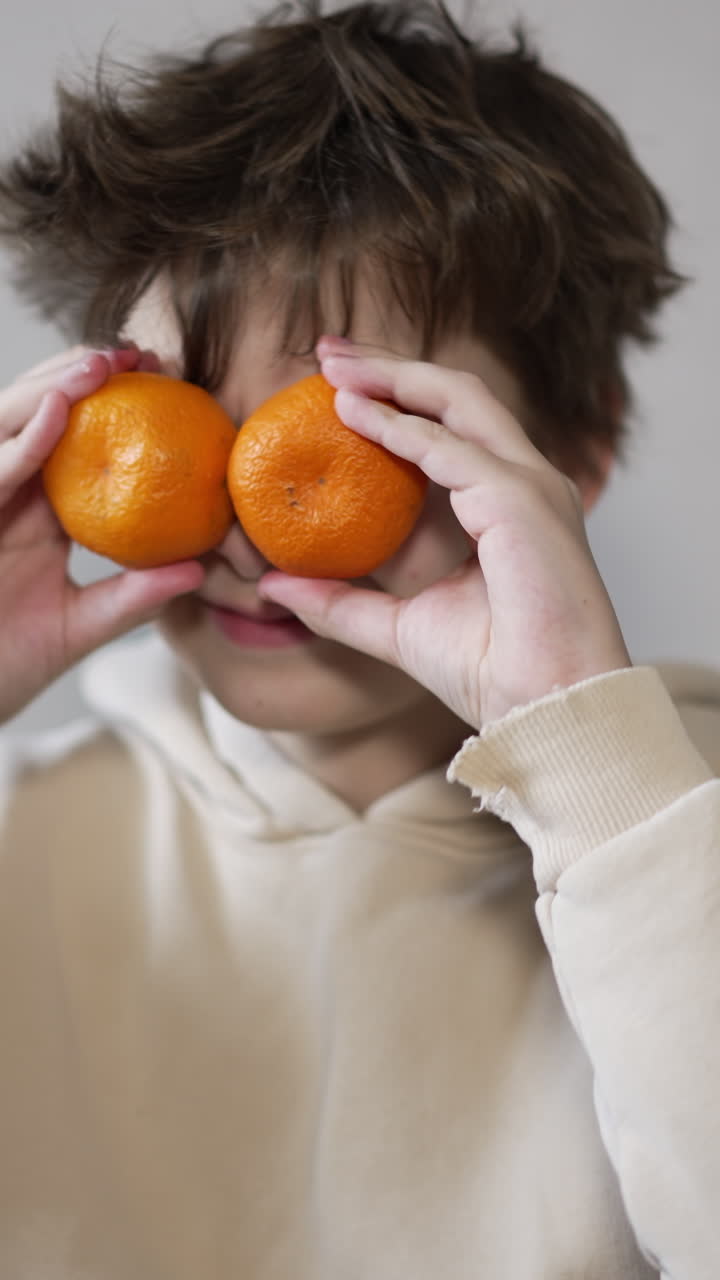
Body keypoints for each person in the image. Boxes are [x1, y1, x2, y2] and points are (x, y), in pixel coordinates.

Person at [0, 2, 718, 1275]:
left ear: (576, 446)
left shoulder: (677, 838)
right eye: (183, 430)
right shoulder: (29, 837)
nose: (245, 528)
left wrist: (604, 789)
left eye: (348, 427)